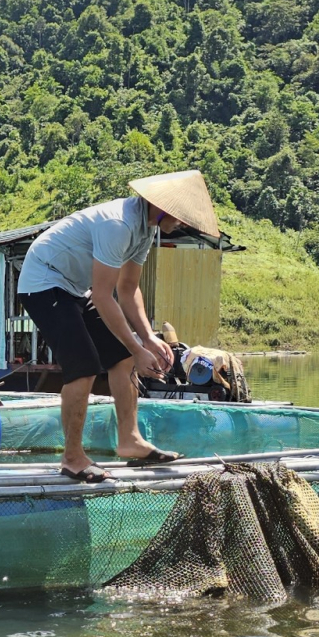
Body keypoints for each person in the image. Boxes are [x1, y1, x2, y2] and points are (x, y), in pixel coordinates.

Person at [15, 170, 222, 482]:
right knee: (83, 366)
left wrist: (147, 339)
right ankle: (72, 457)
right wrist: (138, 348)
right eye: (180, 218)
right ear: (163, 209)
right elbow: (102, 296)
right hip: (43, 281)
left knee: (121, 356)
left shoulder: (146, 229)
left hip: (72, 287)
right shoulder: (119, 224)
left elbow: (127, 289)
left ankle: (130, 440)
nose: (181, 225)